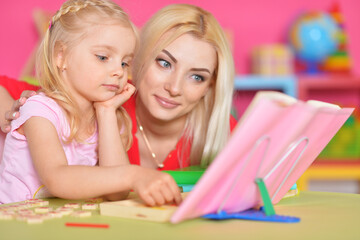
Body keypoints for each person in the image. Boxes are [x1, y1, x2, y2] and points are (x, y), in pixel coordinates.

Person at [0, 4, 236, 174]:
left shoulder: (222, 129)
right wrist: (12, 117)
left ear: (210, 86)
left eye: (196, 77)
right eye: (164, 63)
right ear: (141, 58)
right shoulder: (99, 91)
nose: (174, 88)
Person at [0, 0, 181, 206]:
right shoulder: (39, 111)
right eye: (103, 57)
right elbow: (57, 178)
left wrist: (106, 112)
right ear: (61, 56)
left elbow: (117, 194)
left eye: (124, 62)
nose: (119, 71)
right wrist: (133, 175)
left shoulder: (106, 118)